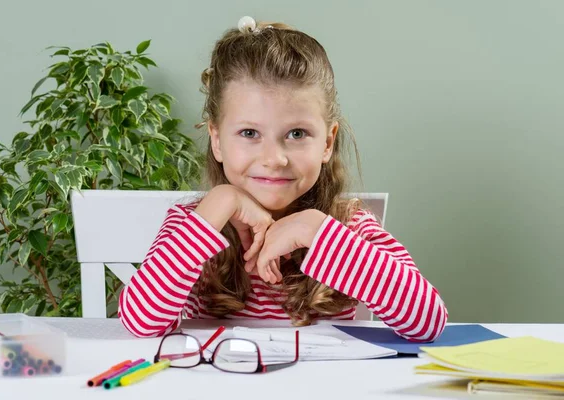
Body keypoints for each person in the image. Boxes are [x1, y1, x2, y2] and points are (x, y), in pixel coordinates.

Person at [118, 16, 448, 342]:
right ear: (217, 140)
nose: (275, 159)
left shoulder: (350, 226)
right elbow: (141, 322)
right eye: (249, 132)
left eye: (297, 133)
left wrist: (316, 231)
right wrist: (220, 201)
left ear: (328, 143)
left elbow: (429, 322)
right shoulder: (195, 223)